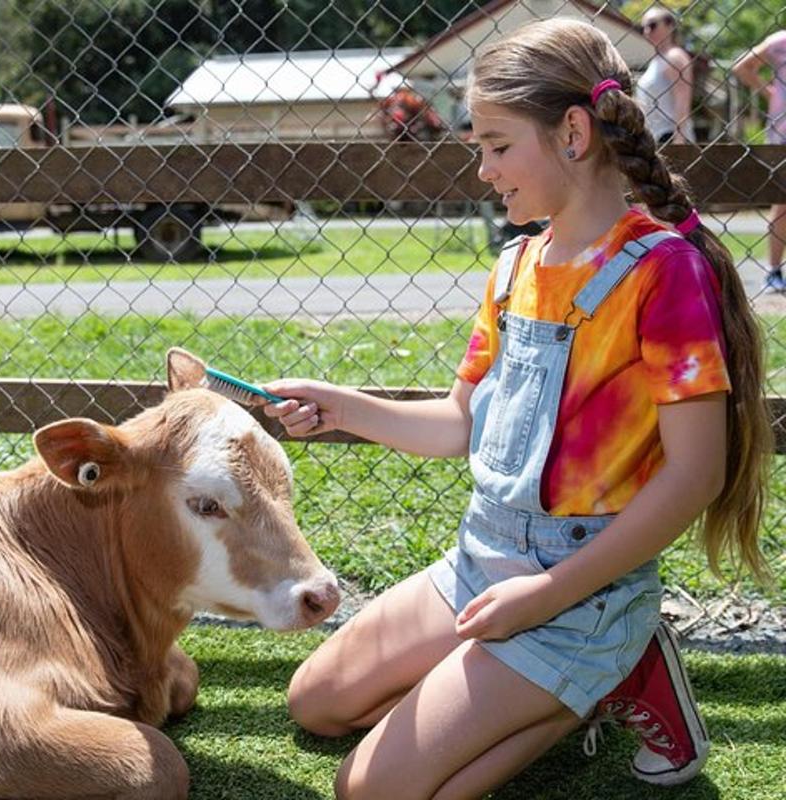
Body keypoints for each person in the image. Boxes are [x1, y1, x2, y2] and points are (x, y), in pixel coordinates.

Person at [261, 18, 771, 799]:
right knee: (317, 704)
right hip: (483, 562)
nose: (485, 172)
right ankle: (552, 687)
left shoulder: (664, 275)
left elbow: (695, 476)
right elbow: (459, 424)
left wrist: (545, 597)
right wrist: (343, 407)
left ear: (573, 133)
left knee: (371, 790)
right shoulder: (516, 267)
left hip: (582, 592)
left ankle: (608, 670)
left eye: (497, 146)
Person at [733, 30, 786, 292]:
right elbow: (742, 67)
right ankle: (773, 270)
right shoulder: (780, 42)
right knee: (782, 202)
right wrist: (769, 91)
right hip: (782, 134)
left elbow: (742, 67)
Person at [636, 6, 696, 144]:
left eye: (652, 25)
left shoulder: (674, 57)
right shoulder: (657, 59)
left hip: (670, 136)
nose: (647, 31)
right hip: (655, 137)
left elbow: (682, 99)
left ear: (670, 26)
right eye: (643, 27)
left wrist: (679, 140)